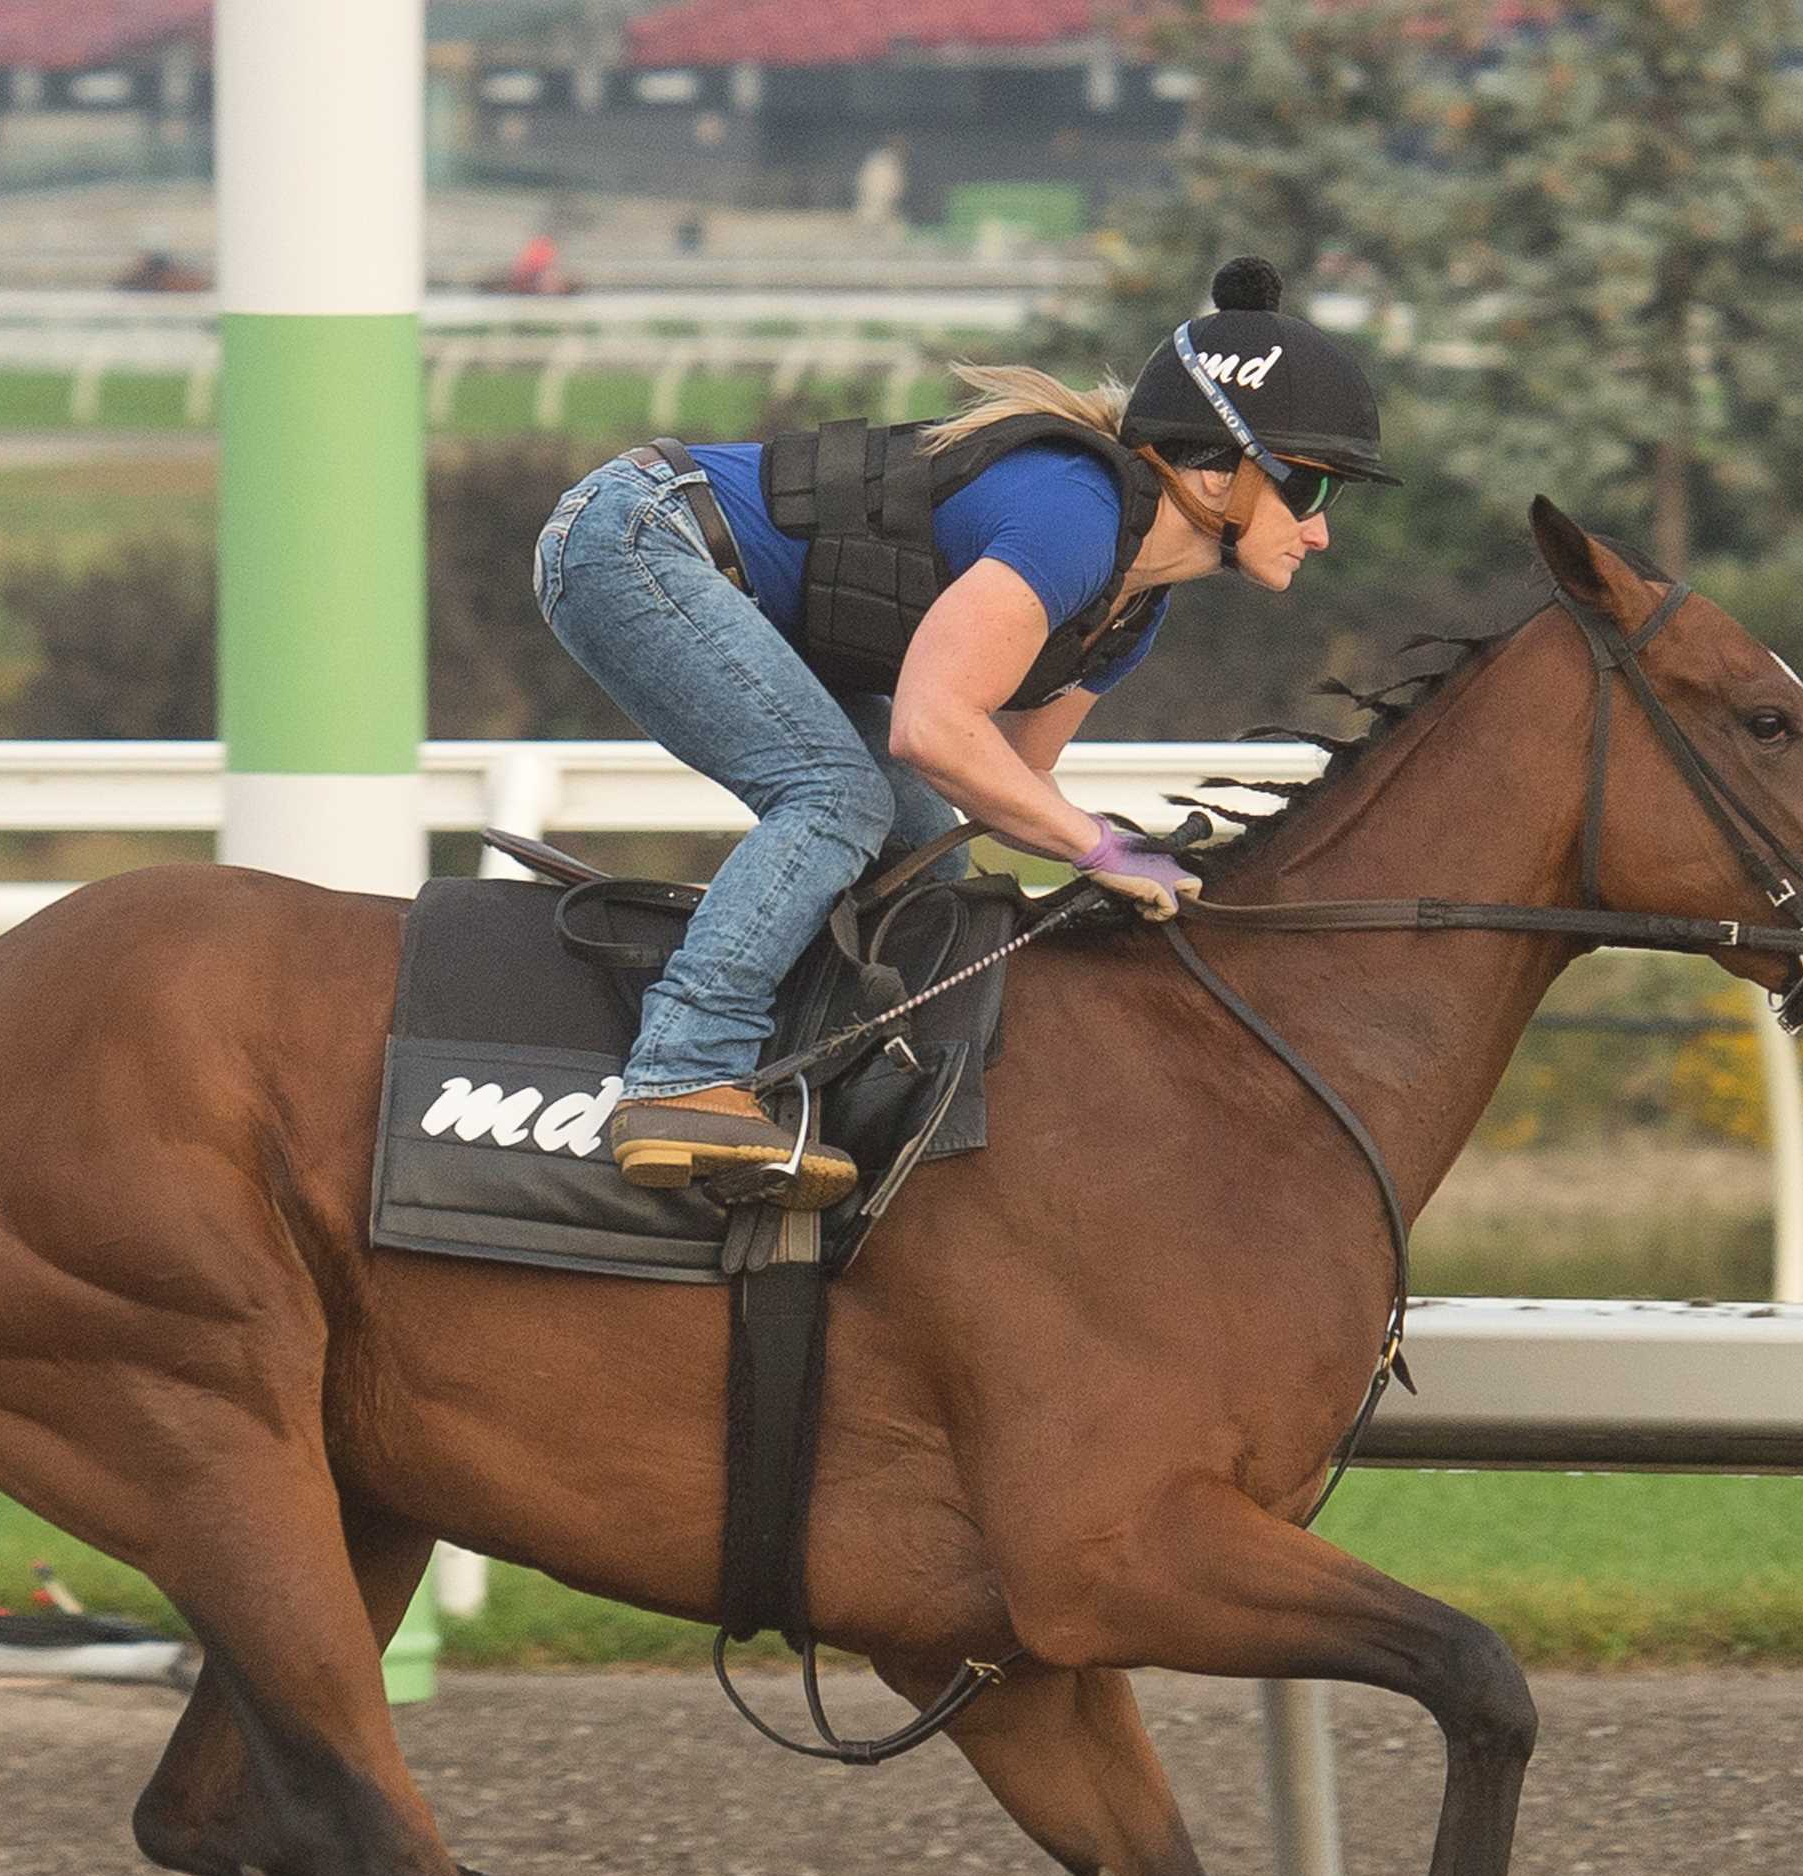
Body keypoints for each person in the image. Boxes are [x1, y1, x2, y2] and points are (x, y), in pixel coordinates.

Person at [532, 255, 1396, 1205]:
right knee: (835, 797)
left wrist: (1128, 860)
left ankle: (812, 1089)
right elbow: (934, 732)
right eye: (1311, 491)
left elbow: (999, 788)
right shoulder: (1073, 516)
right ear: (1217, 466)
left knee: (927, 860)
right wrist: (1100, 846)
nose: (1321, 533)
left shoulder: (1132, 609)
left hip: (720, 578)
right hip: (637, 536)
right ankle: (683, 1074)